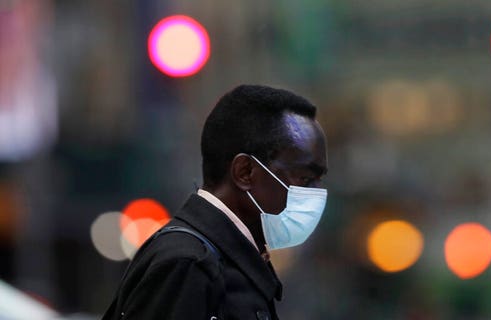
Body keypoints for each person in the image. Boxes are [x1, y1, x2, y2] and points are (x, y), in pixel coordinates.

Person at [103, 85, 328, 320]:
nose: (316, 193)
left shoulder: (228, 261)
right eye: (305, 178)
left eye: (318, 180)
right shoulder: (188, 265)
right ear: (245, 172)